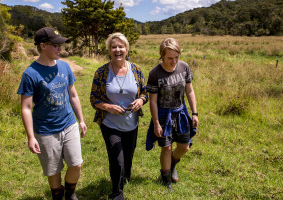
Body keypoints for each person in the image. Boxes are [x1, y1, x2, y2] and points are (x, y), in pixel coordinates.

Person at [17, 27, 87, 200]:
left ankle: (70, 193)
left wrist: (81, 120)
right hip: (45, 129)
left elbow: (73, 94)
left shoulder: (64, 66)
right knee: (53, 170)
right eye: (55, 45)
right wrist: (31, 137)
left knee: (76, 165)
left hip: (69, 123)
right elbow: (26, 107)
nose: (59, 49)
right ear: (42, 46)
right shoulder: (30, 74)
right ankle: (57, 195)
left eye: (60, 45)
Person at [90, 32, 148, 200]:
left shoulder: (136, 70)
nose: (117, 50)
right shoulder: (101, 72)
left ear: (127, 49)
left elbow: (144, 93)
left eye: (121, 46)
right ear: (109, 50)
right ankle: (117, 193)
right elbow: (94, 99)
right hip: (110, 123)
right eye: (114, 46)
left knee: (128, 156)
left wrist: (141, 101)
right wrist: (107, 106)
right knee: (117, 157)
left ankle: (125, 177)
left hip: (132, 123)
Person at [146, 38, 198, 191]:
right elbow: (153, 101)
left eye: (176, 57)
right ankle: (166, 179)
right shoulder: (155, 73)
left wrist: (194, 113)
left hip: (180, 112)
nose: (174, 61)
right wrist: (156, 123)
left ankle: (173, 164)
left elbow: (189, 90)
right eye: (170, 58)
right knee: (166, 148)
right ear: (162, 55)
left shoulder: (184, 67)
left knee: (184, 146)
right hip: (163, 115)